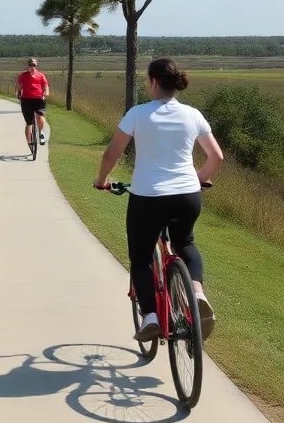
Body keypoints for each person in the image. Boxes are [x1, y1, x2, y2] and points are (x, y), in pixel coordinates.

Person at [93, 58, 224, 343]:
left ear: (153, 82)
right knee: (185, 243)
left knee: (141, 257)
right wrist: (198, 179)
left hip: (148, 197)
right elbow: (216, 156)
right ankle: (197, 293)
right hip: (187, 195)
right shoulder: (192, 114)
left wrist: (102, 179)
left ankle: (151, 317)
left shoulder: (138, 113)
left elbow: (111, 153)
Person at [16, 58, 50, 148]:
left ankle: (41, 132)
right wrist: (18, 94)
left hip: (38, 98)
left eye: (34, 65)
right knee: (29, 122)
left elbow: (45, 85)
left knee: (40, 116)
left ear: (36, 65)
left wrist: (46, 92)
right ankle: (29, 142)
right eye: (30, 65)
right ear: (28, 65)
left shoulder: (41, 75)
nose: (32, 66)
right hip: (26, 99)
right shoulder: (22, 75)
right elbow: (19, 86)